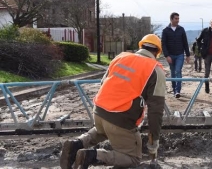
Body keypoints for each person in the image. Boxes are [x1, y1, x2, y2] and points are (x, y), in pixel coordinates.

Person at [60, 34, 166, 169]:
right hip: (121, 120)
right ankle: (92, 156)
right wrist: (153, 146)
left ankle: (76, 144)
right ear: (157, 52)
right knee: (133, 158)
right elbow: (155, 112)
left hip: (99, 111)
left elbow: (104, 82)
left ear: (141, 46)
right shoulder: (155, 69)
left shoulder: (121, 57)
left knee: (104, 129)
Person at [161, 12, 190, 98]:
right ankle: (174, 89)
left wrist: (187, 55)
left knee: (178, 70)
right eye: (176, 18)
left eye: (178, 18)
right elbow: (163, 44)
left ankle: (178, 90)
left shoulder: (181, 29)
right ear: (171, 19)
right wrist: (166, 56)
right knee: (173, 72)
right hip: (170, 55)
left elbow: (185, 42)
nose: (177, 20)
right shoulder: (165, 30)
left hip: (180, 55)